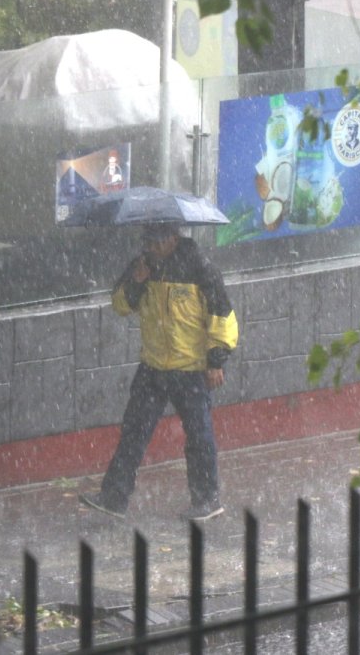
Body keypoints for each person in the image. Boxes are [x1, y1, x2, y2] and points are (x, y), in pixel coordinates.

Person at [80, 223, 239, 522]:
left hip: (190, 369)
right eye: (147, 241)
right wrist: (138, 281)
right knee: (133, 433)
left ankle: (207, 500)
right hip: (152, 367)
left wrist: (216, 360)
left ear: (173, 239)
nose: (150, 247)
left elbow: (222, 315)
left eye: (156, 241)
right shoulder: (142, 266)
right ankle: (114, 497)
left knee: (199, 436)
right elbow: (121, 305)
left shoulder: (199, 268)